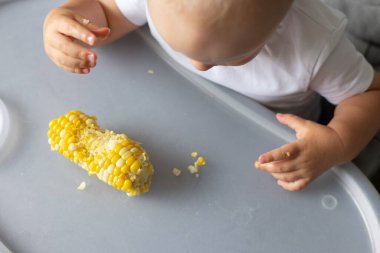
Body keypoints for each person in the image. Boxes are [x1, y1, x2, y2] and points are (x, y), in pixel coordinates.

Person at [43, 0, 380, 191]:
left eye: (234, 57)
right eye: (175, 42)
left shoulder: (316, 46)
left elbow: (370, 95)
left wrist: (336, 142)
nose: (201, 66)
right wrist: (70, 21)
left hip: (265, 138)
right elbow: (107, 11)